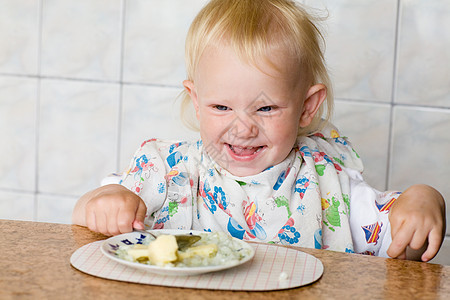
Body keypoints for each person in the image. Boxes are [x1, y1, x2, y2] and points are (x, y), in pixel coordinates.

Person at [72, 0, 445, 261]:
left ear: (306, 108)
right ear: (196, 100)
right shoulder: (165, 171)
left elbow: (402, 250)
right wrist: (102, 202)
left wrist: (424, 200)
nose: (243, 126)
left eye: (265, 108)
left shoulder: (329, 182)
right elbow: (91, 217)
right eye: (221, 107)